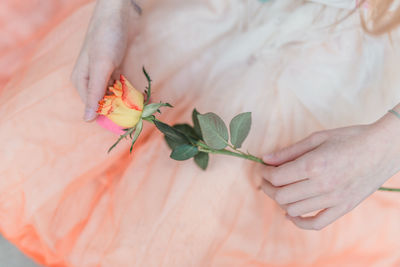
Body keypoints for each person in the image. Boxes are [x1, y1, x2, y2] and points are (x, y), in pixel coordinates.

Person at [1, 0, 400, 266]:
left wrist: (387, 145)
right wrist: (115, 8)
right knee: (25, 158)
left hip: (351, 67)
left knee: (174, 242)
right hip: (199, 15)